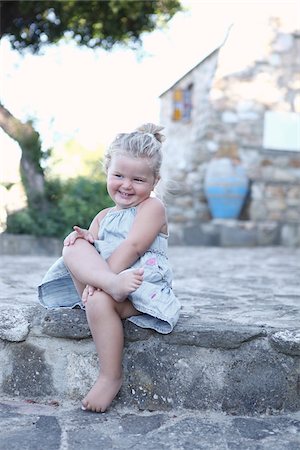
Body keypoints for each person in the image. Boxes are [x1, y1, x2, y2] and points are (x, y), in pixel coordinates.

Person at [38, 123, 181, 413]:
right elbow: (91, 255)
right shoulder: (103, 216)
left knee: (99, 299)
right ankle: (105, 284)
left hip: (139, 288)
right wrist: (86, 242)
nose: (127, 185)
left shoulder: (152, 209)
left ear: (154, 181)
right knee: (73, 245)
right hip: (107, 285)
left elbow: (133, 247)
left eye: (138, 179)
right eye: (119, 175)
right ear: (107, 172)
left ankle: (109, 376)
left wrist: (104, 282)